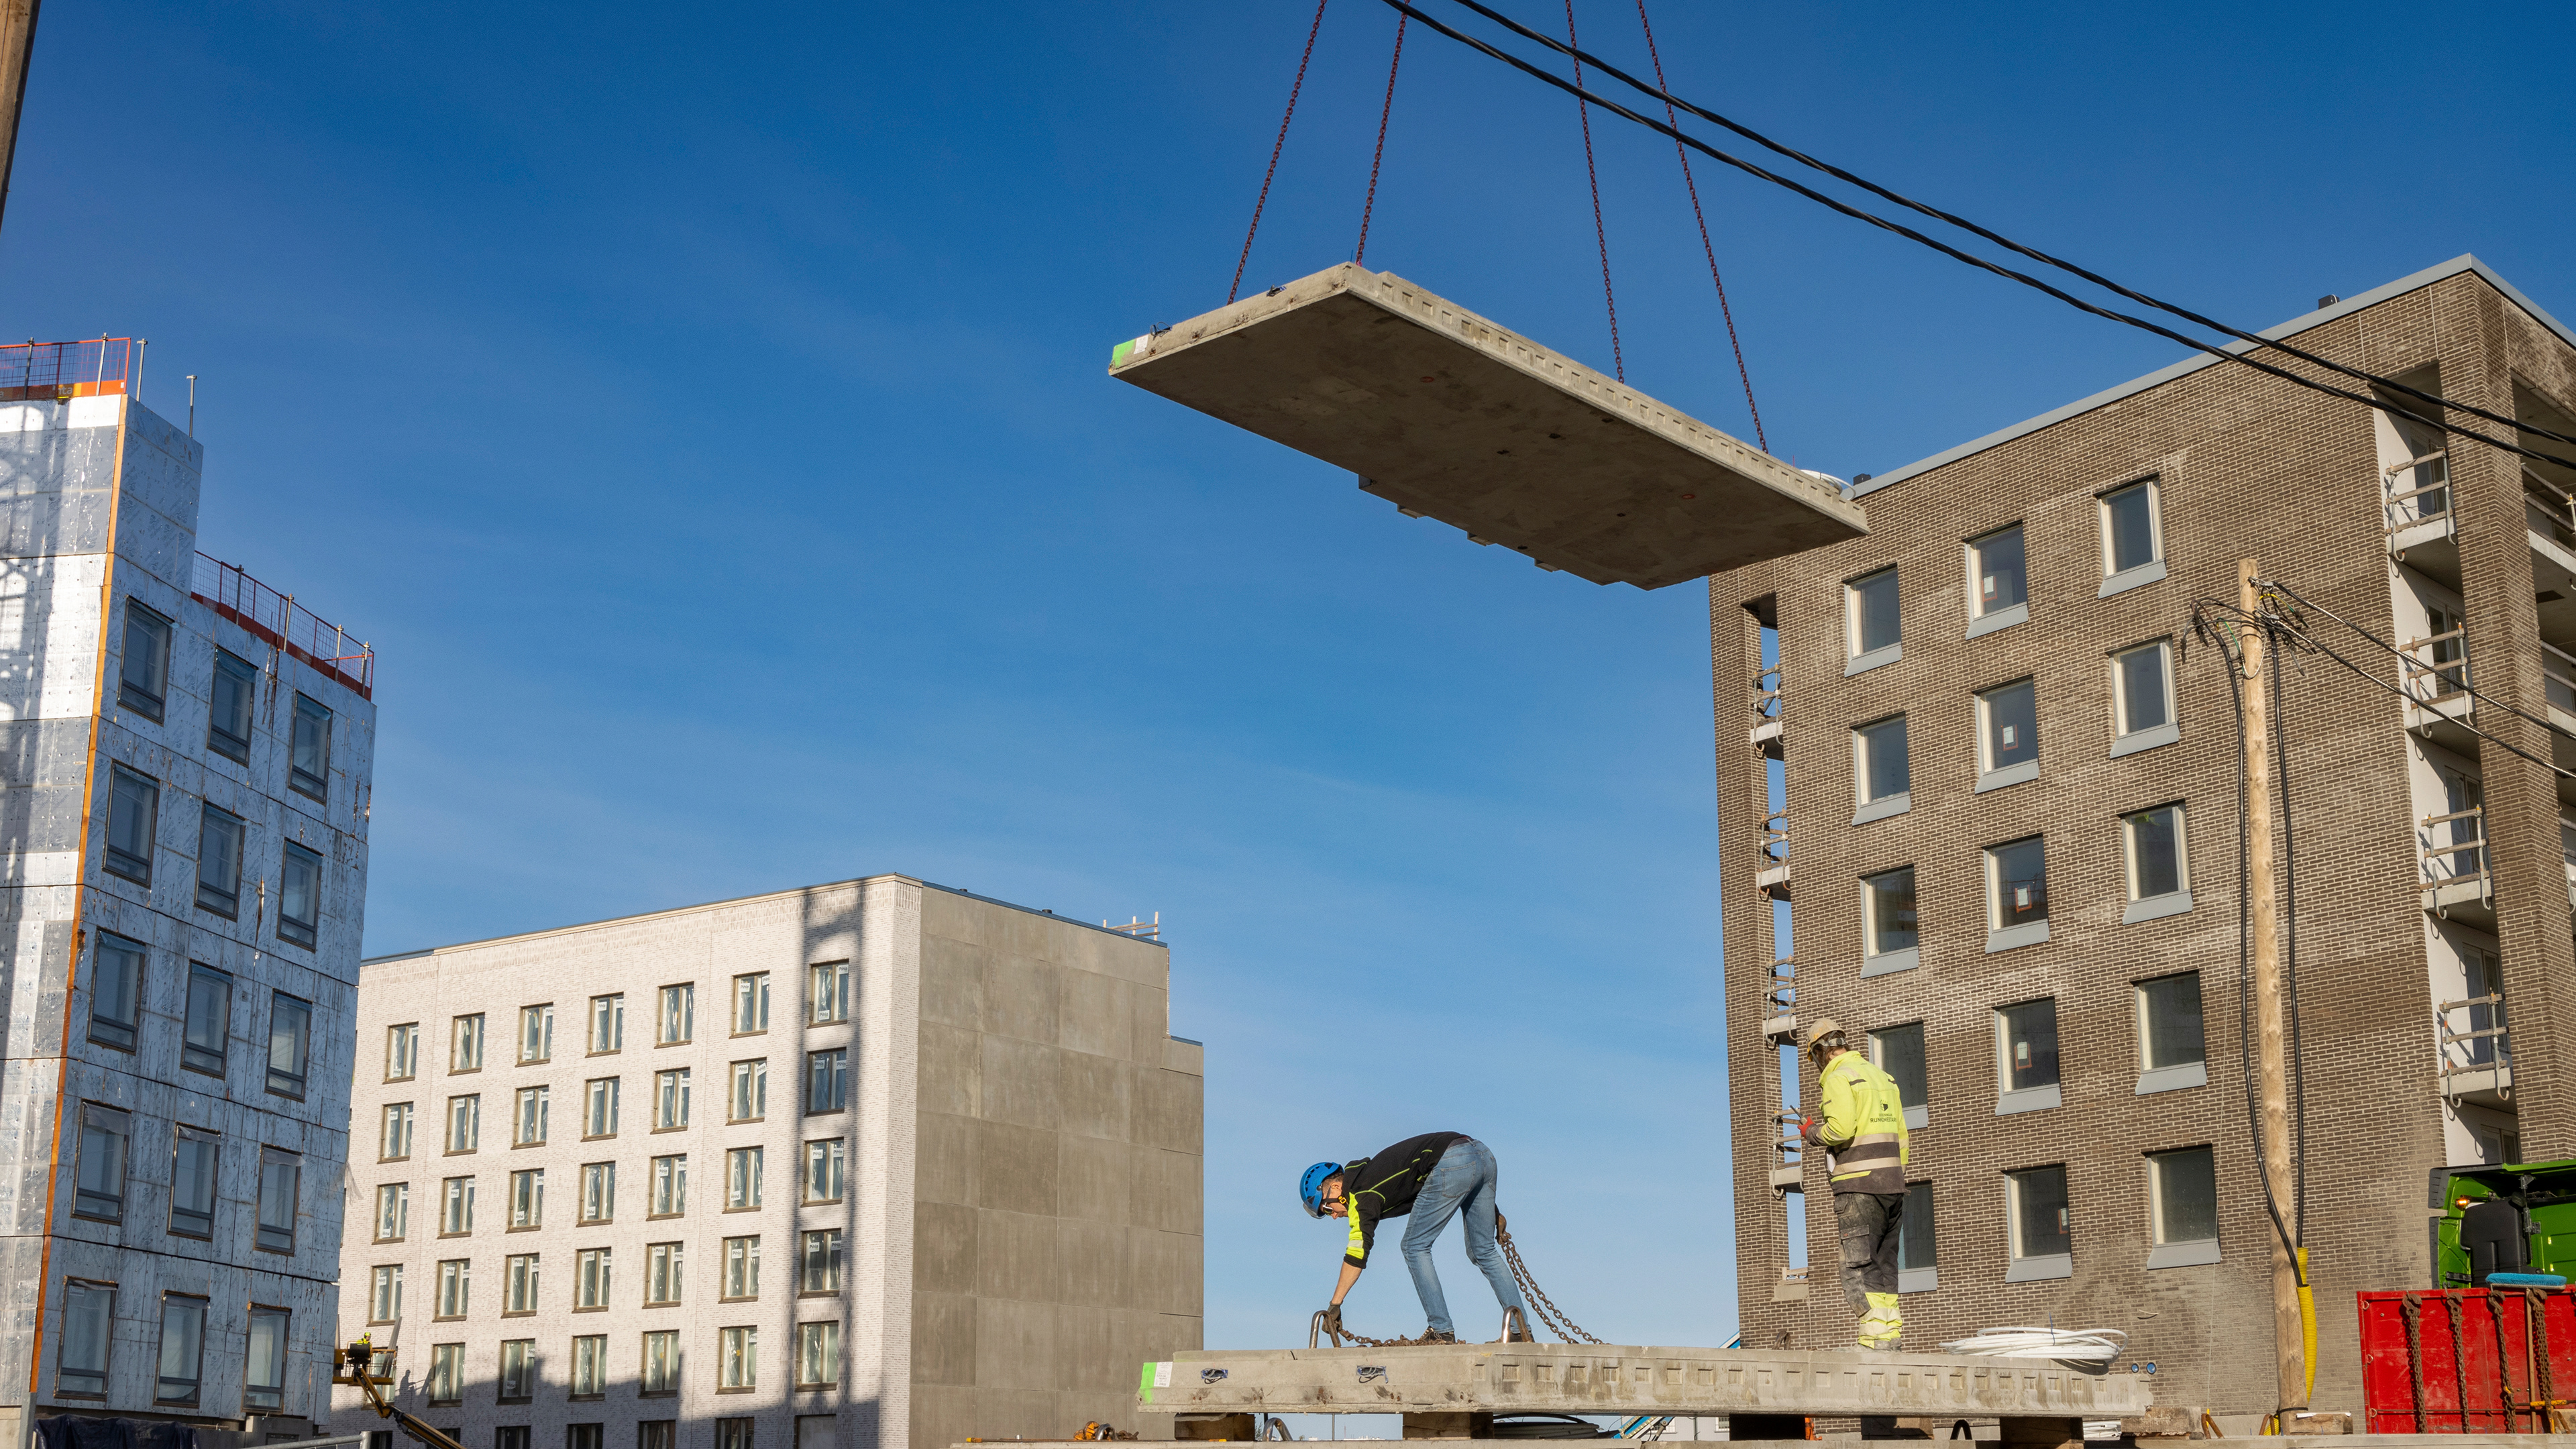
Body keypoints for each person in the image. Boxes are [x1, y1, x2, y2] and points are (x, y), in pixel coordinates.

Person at [1299, 1132, 1533, 1344]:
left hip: (1453, 1161)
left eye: (1327, 1209)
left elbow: (1357, 1252)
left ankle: (1441, 1330)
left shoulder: (1361, 1193)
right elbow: (1466, 1163)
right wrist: (1491, 1209)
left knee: (1414, 1246)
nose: (1333, 1217)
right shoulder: (1369, 1176)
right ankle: (1519, 1332)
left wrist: (1335, 1305)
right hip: (1482, 1156)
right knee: (1483, 1250)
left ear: (1336, 1188)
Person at [1803, 1018, 1911, 1351]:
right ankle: (1889, 1337)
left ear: (1821, 1051)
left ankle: (1871, 1340)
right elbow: (1902, 1138)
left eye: (1815, 1058)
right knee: (1885, 1262)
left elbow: (1839, 1130)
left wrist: (1810, 1132)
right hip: (1893, 1185)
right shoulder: (1884, 1078)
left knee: (1858, 1261)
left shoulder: (1839, 1078)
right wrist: (1891, 1174)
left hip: (1859, 1188)